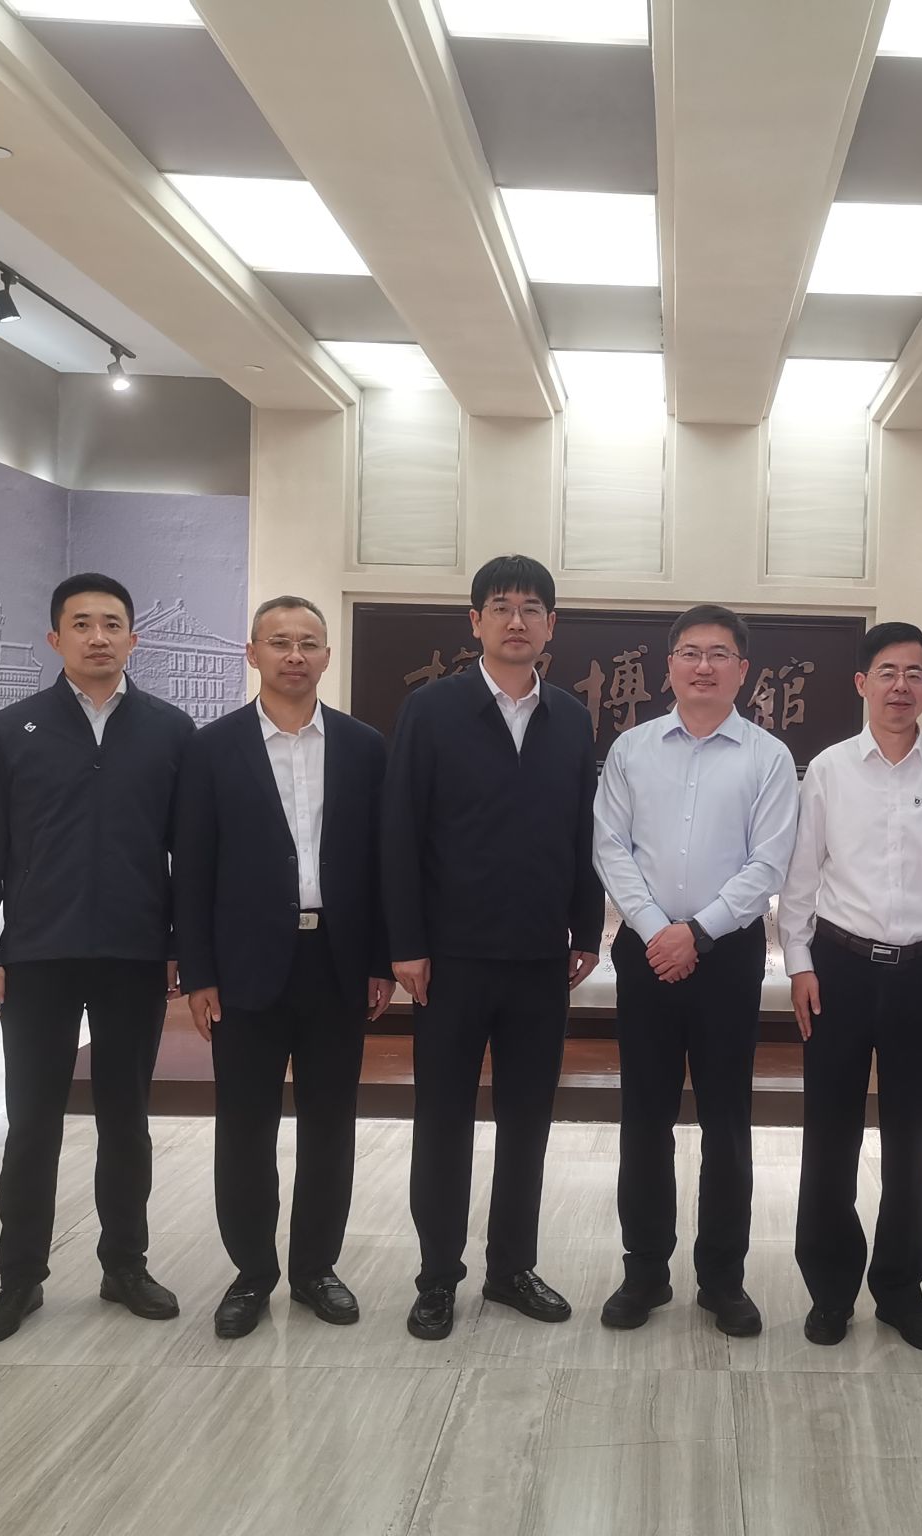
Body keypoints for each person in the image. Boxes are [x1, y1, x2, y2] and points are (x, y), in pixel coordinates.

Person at [0, 574, 196, 1345]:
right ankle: (19, 1277)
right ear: (54, 638)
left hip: (134, 953)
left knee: (126, 1119)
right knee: (32, 1121)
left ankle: (125, 1263)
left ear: (134, 638)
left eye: (112, 624)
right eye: (82, 624)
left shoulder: (170, 730)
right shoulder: (14, 728)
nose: (99, 637)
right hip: (39, 954)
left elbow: (190, 854)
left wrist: (180, 948)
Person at [384, 555, 604, 1342]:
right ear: (474, 620)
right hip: (450, 959)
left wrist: (586, 930)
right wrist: (405, 943)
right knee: (443, 1120)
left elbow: (583, 831)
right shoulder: (432, 710)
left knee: (527, 1121)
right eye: (502, 606)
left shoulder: (570, 718)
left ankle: (511, 1269)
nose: (517, 620)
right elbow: (400, 830)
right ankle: (437, 1277)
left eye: (532, 607)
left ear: (551, 625)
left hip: (540, 959)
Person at [175, 596, 392, 1339]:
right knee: (245, 1128)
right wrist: (198, 972)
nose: (294, 655)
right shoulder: (211, 749)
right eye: (279, 642)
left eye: (308, 642)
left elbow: (382, 864)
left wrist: (379, 959)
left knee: (330, 1125)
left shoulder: (365, 747)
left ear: (327, 655)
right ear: (253, 653)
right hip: (244, 969)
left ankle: (315, 1270)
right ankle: (252, 1274)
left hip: (336, 960)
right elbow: (192, 868)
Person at [593, 605, 798, 1339]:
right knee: (644, 1118)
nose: (703, 666)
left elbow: (768, 863)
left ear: (742, 670)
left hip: (727, 956)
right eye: (689, 652)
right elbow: (610, 847)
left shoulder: (768, 758)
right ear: (669, 666)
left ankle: (722, 1280)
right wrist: (658, 931)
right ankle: (645, 1271)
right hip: (647, 954)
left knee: (726, 1122)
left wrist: (698, 933)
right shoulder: (632, 750)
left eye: (718, 654)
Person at [779, 621, 922, 1352]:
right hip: (837, 968)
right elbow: (802, 874)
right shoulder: (830, 769)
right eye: (888, 672)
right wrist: (798, 963)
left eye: (914, 673)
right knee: (829, 1136)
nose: (902, 686)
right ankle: (830, 1289)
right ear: (862, 683)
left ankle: (900, 1290)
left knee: (909, 1139)